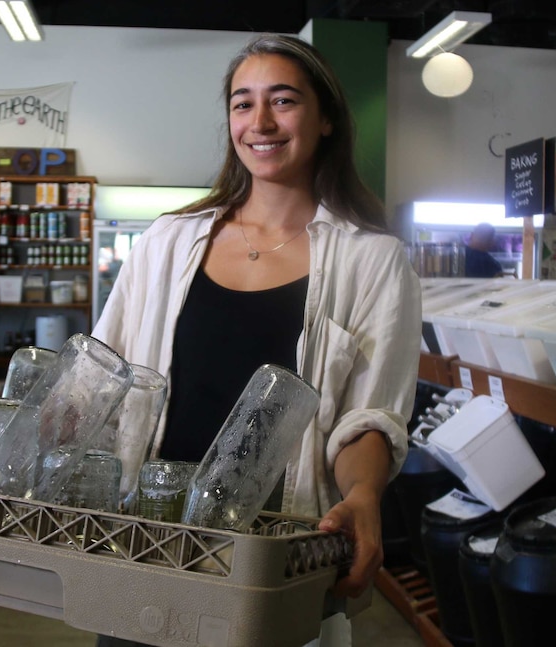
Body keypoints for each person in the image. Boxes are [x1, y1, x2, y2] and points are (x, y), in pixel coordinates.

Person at [91, 33, 421, 646]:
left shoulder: (372, 260)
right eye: (243, 104)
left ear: (325, 120)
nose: (260, 122)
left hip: (278, 560)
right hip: (146, 545)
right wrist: (5, 456)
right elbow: (98, 378)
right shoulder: (167, 242)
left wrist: (365, 493)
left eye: (284, 100)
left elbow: (369, 416)